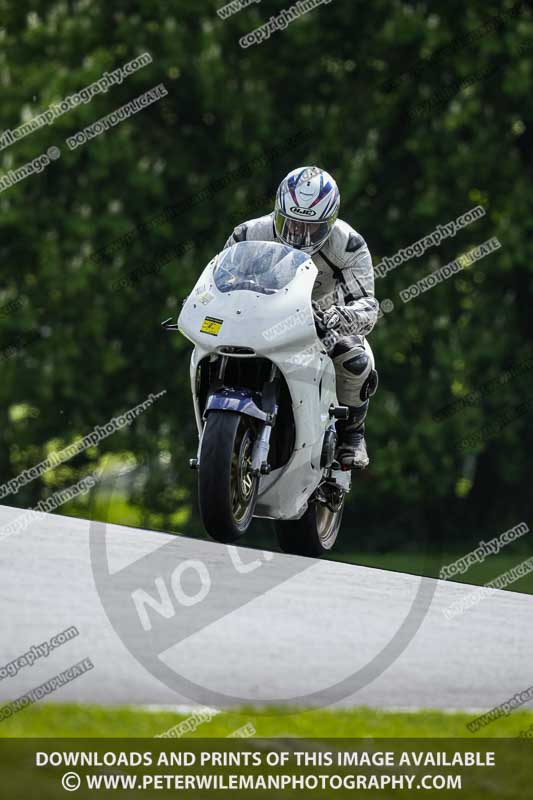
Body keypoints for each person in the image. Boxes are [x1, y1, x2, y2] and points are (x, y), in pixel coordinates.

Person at [224, 166, 379, 469]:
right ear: (277, 211)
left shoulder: (349, 245)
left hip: (321, 324)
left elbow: (368, 305)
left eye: (311, 228)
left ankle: (352, 435)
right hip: (258, 317)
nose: (298, 234)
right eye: (291, 223)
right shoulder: (247, 233)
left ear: (330, 223)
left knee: (355, 359)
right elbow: (218, 279)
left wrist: (338, 316)